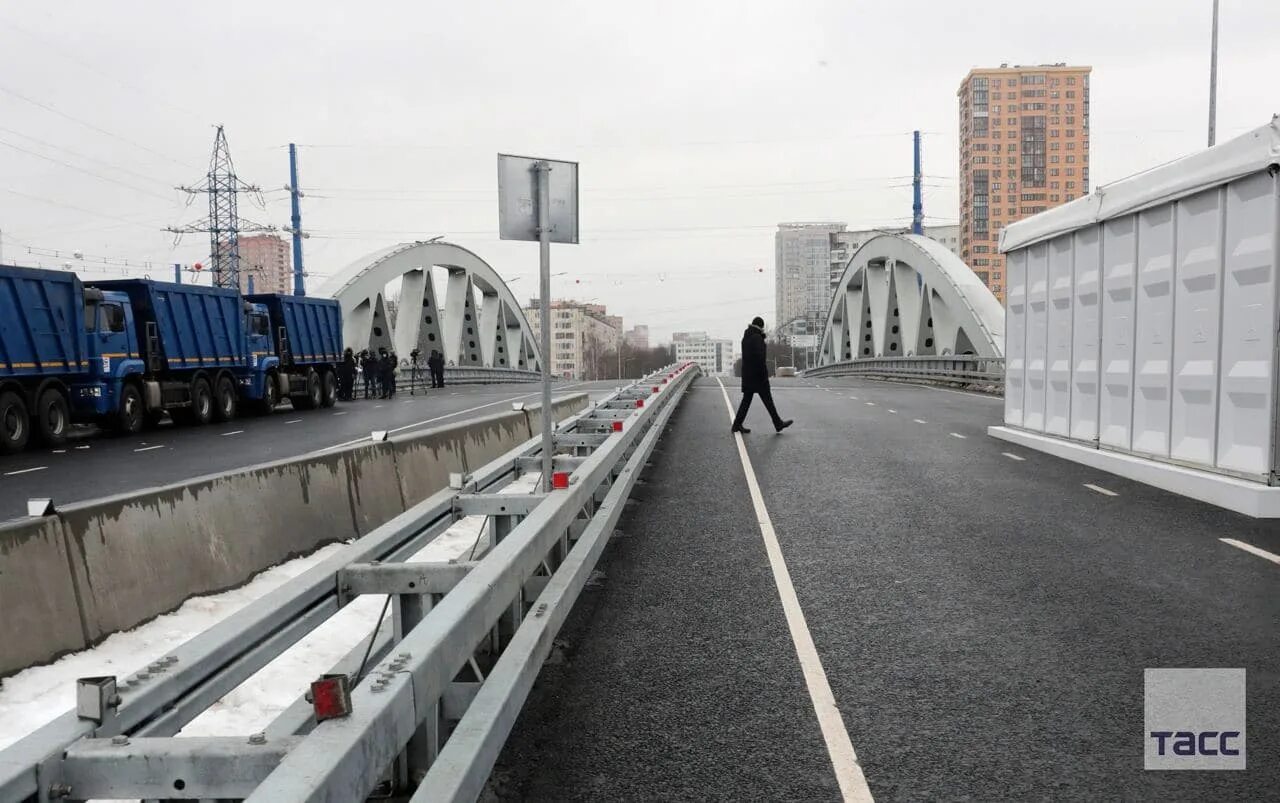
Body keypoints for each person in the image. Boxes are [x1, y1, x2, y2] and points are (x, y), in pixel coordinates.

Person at [731, 316, 793, 435]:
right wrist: (764, 374)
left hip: (748, 375)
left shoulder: (746, 337)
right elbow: (760, 358)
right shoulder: (756, 338)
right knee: (768, 401)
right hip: (758, 377)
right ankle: (778, 423)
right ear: (761, 327)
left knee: (747, 401)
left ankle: (737, 425)